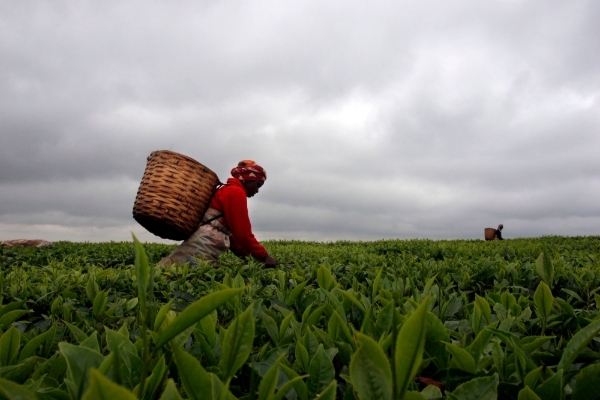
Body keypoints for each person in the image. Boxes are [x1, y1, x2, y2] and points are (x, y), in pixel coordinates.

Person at [159, 160, 277, 268]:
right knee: (183, 275)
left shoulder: (227, 190)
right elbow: (242, 233)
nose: (257, 190)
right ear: (248, 179)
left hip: (202, 241)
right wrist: (264, 256)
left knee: (174, 271)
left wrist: (250, 259)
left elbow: (232, 237)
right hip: (204, 244)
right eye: (258, 185)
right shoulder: (236, 192)